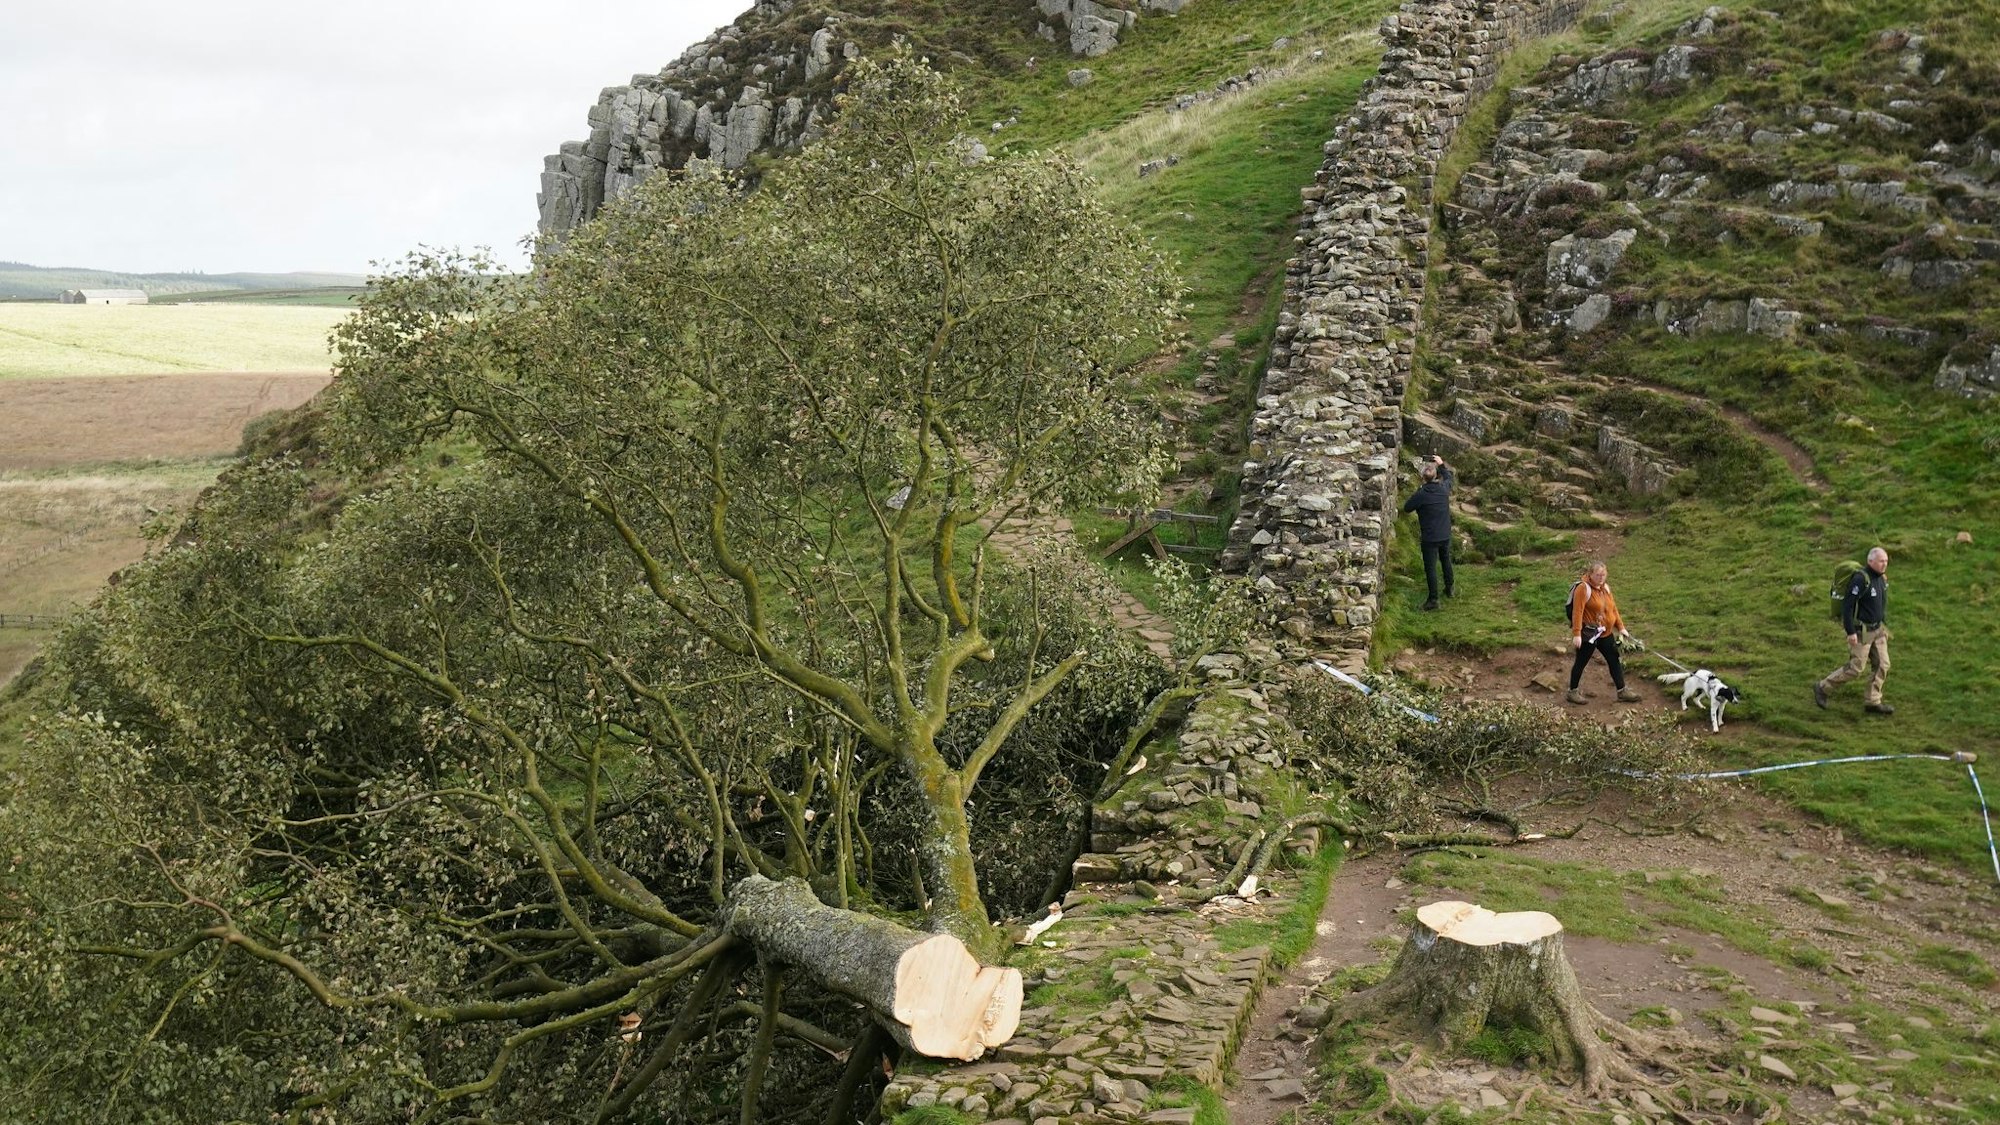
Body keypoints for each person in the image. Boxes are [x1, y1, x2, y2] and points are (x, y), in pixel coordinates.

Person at [1815, 547, 1892, 715]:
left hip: (1878, 630)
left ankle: (1873, 701)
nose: (1884, 564)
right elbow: (1848, 606)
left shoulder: (1881, 578)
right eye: (1881, 561)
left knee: (1882, 664)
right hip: (1861, 631)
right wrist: (1850, 631)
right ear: (1870, 561)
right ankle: (1823, 687)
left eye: (1886, 561)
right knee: (1855, 669)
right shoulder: (1860, 579)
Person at [1567, 561, 1641, 704]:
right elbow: (1577, 612)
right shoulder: (1583, 589)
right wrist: (1577, 634)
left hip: (1605, 633)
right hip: (1589, 634)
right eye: (1598, 575)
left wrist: (1621, 627)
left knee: (1614, 658)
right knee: (1581, 662)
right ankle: (1572, 691)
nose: (1601, 577)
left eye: (1603, 574)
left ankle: (1622, 691)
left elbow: (1613, 609)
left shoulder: (1605, 588)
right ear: (1590, 574)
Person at [1400, 454, 1455, 611]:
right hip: (1445, 534)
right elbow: (1449, 478)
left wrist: (1419, 491)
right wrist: (1441, 464)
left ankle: (1433, 600)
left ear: (1422, 477)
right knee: (1445, 560)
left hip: (1430, 537)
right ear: (1436, 476)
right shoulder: (1443, 490)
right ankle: (1450, 588)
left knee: (1430, 568)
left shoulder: (1421, 494)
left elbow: (1407, 507)